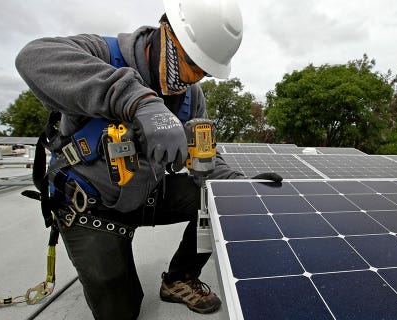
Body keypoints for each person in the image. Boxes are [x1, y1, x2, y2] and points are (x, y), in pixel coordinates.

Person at [15, 0, 281, 319]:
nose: (195, 76)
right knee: (122, 311)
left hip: (146, 193)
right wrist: (139, 101)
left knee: (214, 203)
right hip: (91, 205)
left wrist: (235, 187)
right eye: (193, 62)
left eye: (204, 70)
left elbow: (204, 157)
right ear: (167, 33)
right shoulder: (102, 53)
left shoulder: (191, 96)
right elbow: (32, 57)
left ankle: (180, 277)